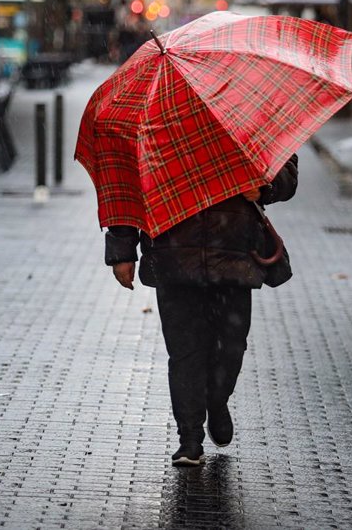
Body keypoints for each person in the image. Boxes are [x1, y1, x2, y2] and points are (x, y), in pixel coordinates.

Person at [104, 154, 299, 467]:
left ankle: (217, 399)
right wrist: (121, 249)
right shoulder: (154, 122)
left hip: (234, 254)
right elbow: (127, 185)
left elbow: (286, 169)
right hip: (173, 252)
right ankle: (189, 437)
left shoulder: (242, 113)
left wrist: (265, 188)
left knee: (231, 347)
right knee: (185, 351)